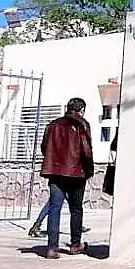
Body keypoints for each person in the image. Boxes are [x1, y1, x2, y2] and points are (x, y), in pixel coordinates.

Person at [39, 97, 94, 259]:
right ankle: (75, 245)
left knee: (54, 208)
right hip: (76, 173)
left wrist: (55, 162)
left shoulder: (53, 125)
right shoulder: (82, 124)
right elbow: (86, 151)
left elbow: (44, 147)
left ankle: (52, 248)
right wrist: (89, 170)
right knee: (76, 209)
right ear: (81, 110)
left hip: (55, 172)